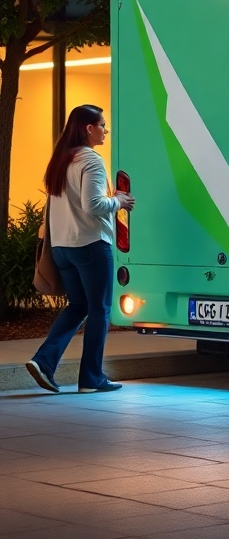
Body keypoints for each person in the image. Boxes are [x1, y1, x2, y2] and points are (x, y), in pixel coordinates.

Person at [26, 105, 134, 394]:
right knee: (100, 309)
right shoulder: (91, 160)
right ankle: (91, 378)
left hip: (62, 247)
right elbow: (93, 205)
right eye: (102, 125)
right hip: (89, 245)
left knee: (78, 306)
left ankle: (43, 362)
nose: (105, 130)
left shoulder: (61, 160)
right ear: (89, 128)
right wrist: (119, 201)